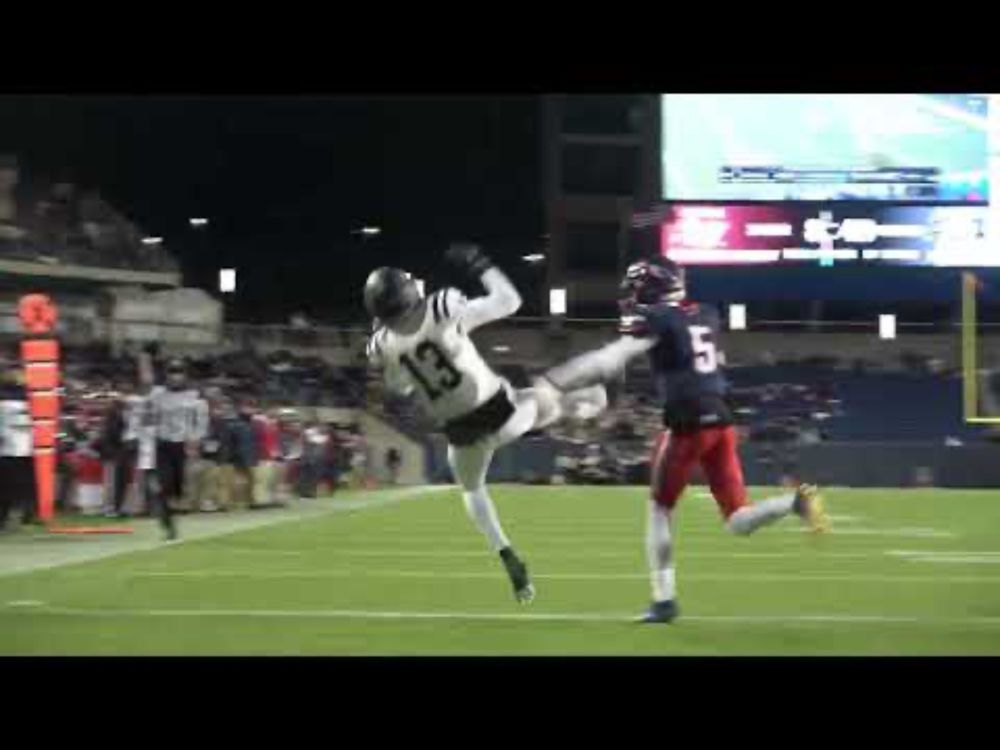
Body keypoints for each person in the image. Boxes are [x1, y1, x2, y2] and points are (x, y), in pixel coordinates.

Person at [540, 256, 831, 623]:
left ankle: (664, 601)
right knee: (738, 520)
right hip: (722, 421)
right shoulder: (706, 312)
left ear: (649, 289)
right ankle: (795, 502)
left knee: (659, 511)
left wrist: (558, 379)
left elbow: (614, 358)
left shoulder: (657, 318)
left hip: (687, 424)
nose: (632, 297)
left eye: (636, 289)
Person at [364, 243, 607, 604]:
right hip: (500, 413)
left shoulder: (381, 344)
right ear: (403, 294)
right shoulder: (441, 307)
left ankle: (505, 552)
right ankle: (581, 405)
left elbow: (399, 387)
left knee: (472, 491)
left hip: (460, 435)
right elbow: (509, 301)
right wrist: (480, 264)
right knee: (543, 397)